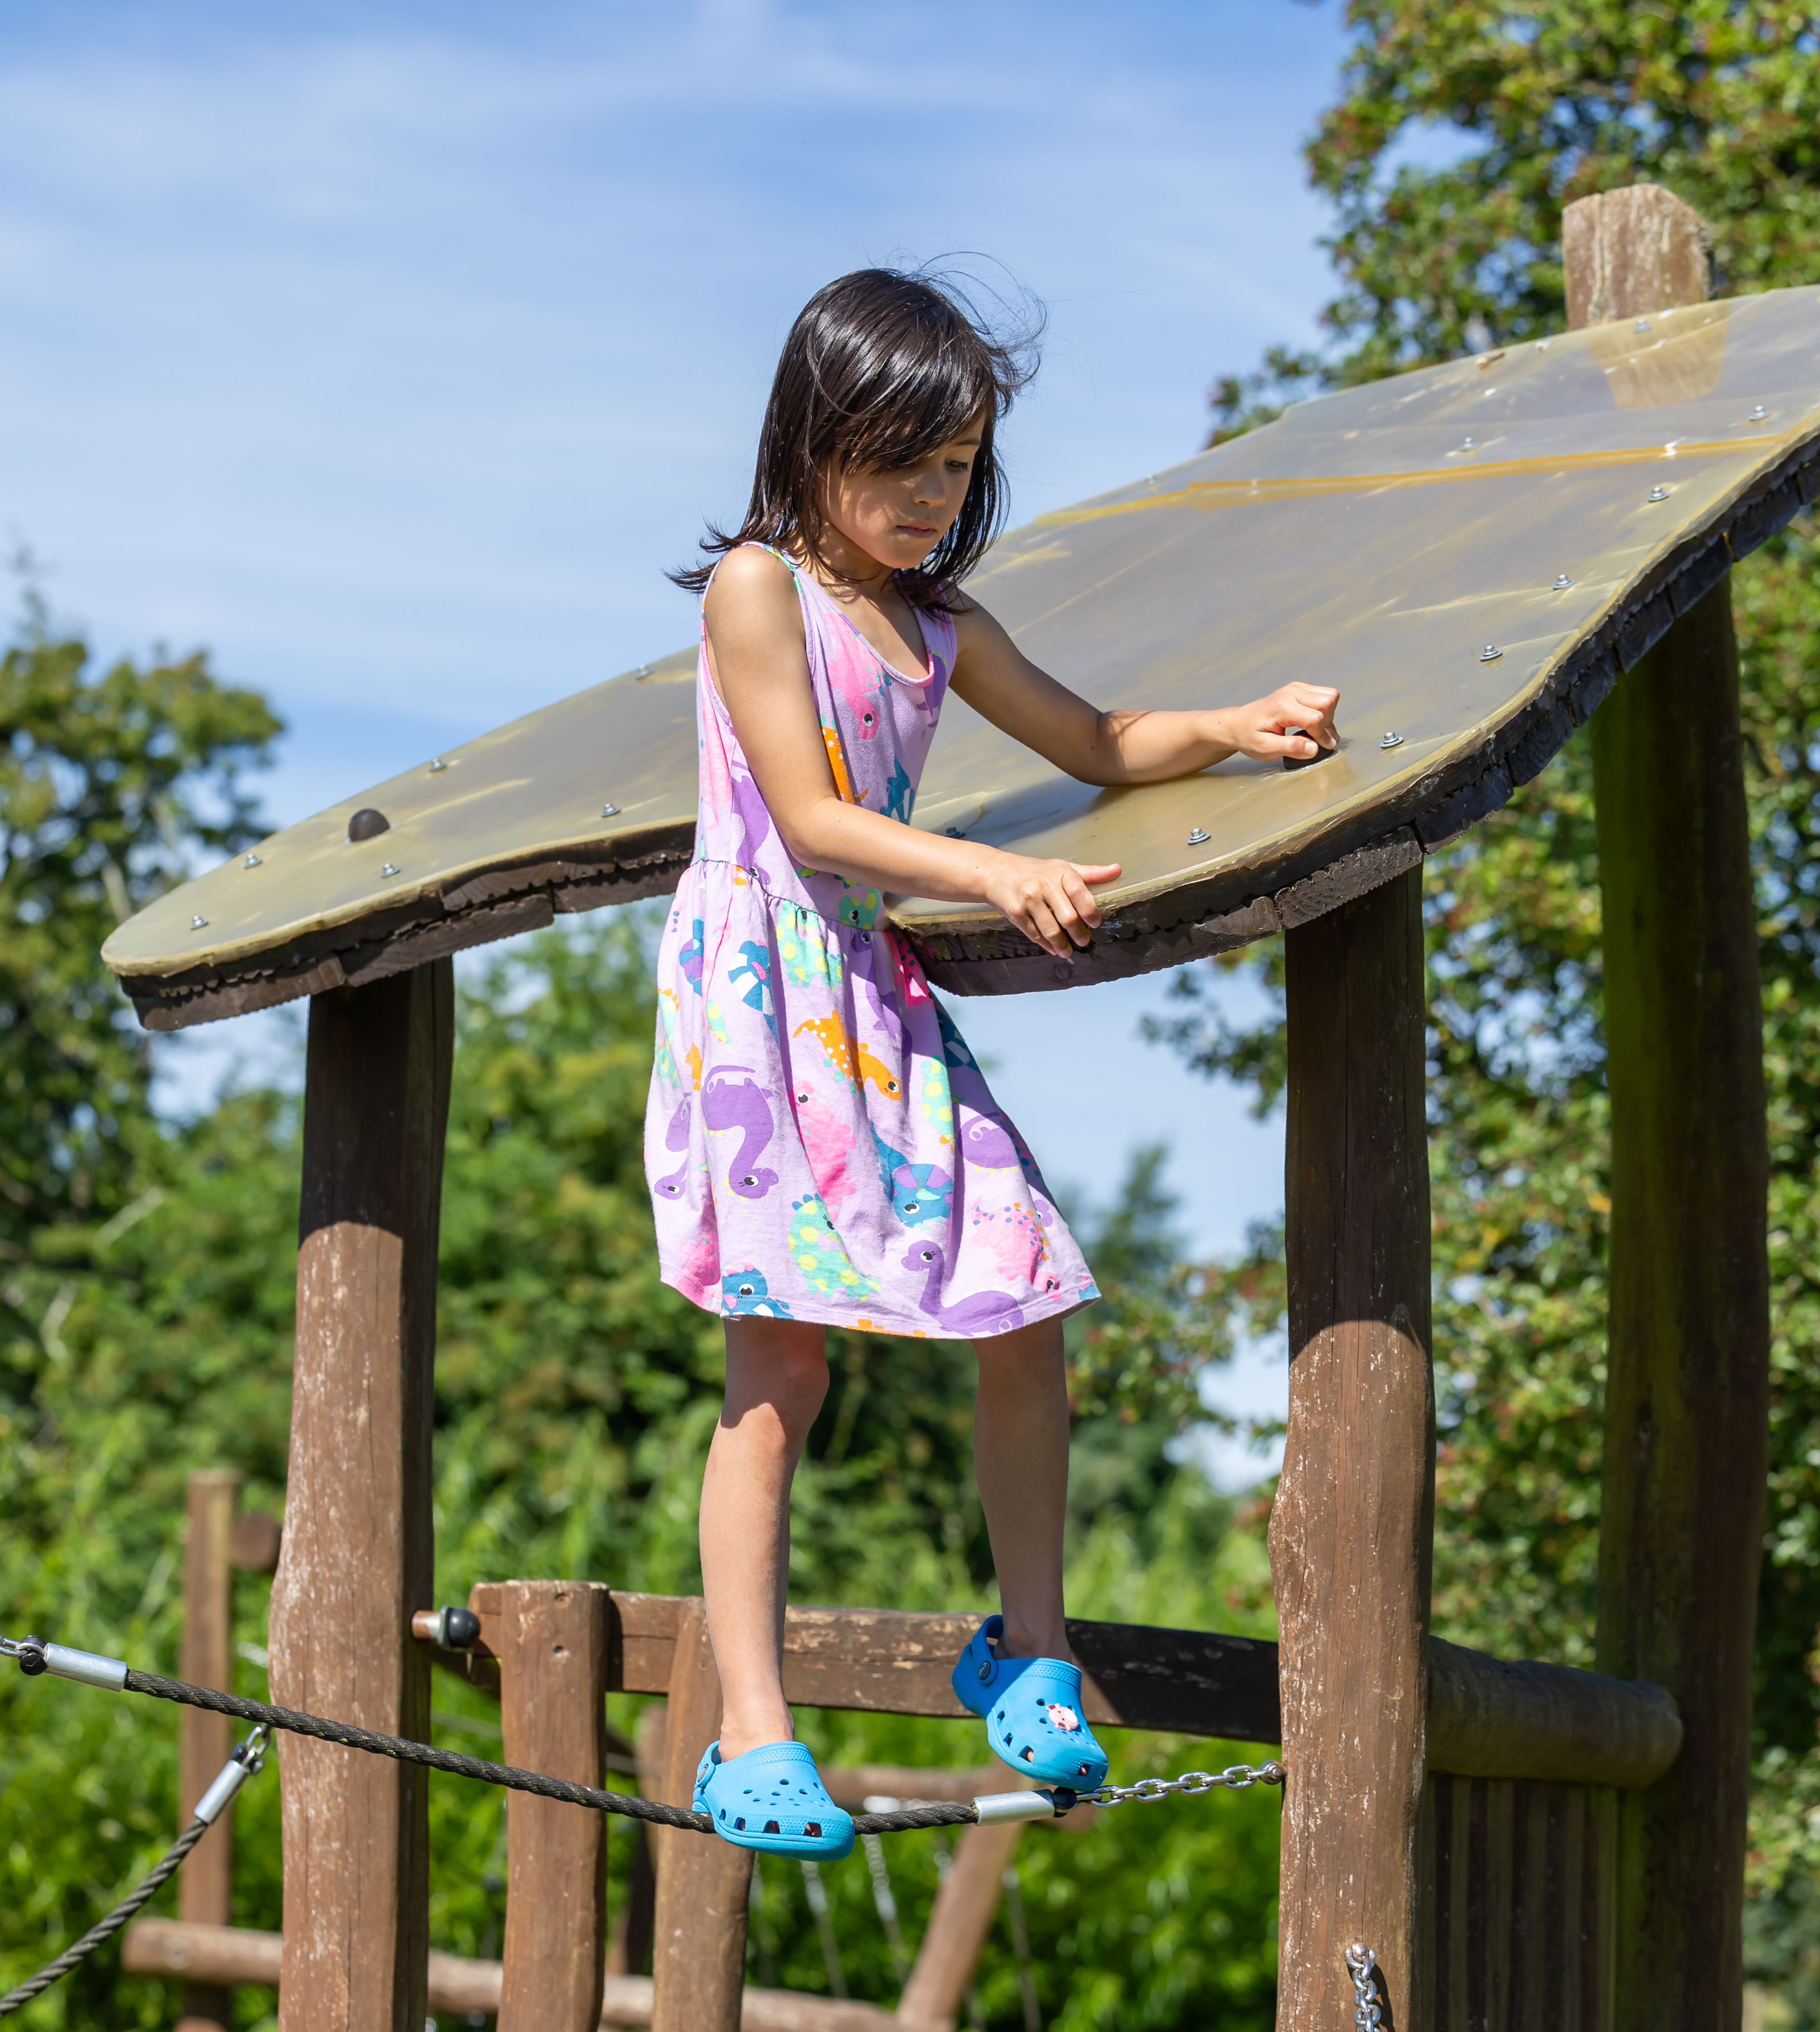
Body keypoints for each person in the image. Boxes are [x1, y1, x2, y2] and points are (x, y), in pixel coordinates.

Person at [649, 267, 1341, 1857]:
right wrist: (986, 873)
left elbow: (1098, 743)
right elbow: (812, 819)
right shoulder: (758, 590)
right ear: (815, 438)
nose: (927, 497)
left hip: (870, 997)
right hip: (767, 990)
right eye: (901, 460)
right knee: (783, 1363)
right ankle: (752, 1733)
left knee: (1024, 1297)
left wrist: (1234, 725)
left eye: (956, 468)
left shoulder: (944, 623)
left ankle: (1026, 1650)